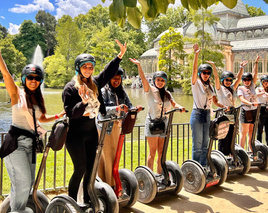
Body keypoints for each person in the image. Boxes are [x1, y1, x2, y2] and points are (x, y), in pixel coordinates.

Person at [0, 39, 65, 212]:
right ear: (24, 78)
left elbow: (41, 119)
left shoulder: (38, 99)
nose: (33, 80)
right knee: (21, 183)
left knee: (28, 183)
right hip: (16, 144)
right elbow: (6, 75)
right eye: (30, 77)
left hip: (31, 144)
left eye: (37, 78)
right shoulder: (17, 94)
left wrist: (58, 115)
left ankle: (17, 209)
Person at [62, 39, 126, 203]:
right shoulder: (70, 88)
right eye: (85, 67)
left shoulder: (95, 83)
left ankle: (88, 201)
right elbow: (71, 113)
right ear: (78, 68)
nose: (89, 70)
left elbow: (107, 72)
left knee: (91, 170)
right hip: (75, 135)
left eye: (91, 67)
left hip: (91, 133)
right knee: (80, 169)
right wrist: (83, 103)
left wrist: (119, 56)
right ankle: (71, 202)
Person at [130, 58, 185, 174]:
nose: (160, 82)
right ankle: (149, 176)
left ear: (165, 82)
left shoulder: (167, 94)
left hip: (164, 123)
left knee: (161, 152)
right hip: (152, 123)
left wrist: (180, 108)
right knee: (153, 151)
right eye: (158, 80)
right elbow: (144, 79)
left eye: (162, 81)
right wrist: (139, 65)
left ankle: (159, 174)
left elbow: (174, 104)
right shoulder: (150, 91)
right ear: (154, 80)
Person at [97, 67, 143, 188]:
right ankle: (108, 185)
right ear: (109, 79)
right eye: (114, 78)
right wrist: (117, 108)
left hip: (117, 127)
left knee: (114, 156)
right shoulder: (103, 91)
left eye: (119, 78)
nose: (117, 80)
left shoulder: (122, 92)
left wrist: (135, 109)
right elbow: (101, 110)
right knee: (107, 157)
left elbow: (129, 106)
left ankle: (110, 184)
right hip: (105, 128)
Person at [190, 44, 226, 166]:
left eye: (208, 73)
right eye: (204, 72)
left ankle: (204, 166)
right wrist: (196, 54)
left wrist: (223, 106)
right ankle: (195, 168)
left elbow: (215, 101)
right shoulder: (196, 84)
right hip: (197, 113)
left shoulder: (210, 86)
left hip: (206, 115)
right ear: (200, 73)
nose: (206, 74)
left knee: (205, 144)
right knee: (197, 145)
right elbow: (194, 70)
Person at [208, 60, 248, 156]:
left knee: (231, 134)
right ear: (223, 80)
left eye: (230, 80)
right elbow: (216, 77)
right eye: (226, 80)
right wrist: (213, 65)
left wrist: (241, 67)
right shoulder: (220, 89)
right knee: (223, 136)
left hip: (233, 114)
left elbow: (238, 78)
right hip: (223, 113)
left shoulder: (233, 88)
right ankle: (222, 155)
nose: (229, 82)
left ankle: (231, 153)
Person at [237, 55, 261, 151]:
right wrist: (251, 104)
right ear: (243, 81)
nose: (247, 81)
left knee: (252, 132)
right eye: (245, 80)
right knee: (244, 133)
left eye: (248, 80)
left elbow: (255, 73)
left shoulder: (252, 86)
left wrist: (256, 62)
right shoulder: (240, 88)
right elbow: (241, 99)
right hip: (246, 111)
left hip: (254, 111)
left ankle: (251, 150)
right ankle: (241, 152)